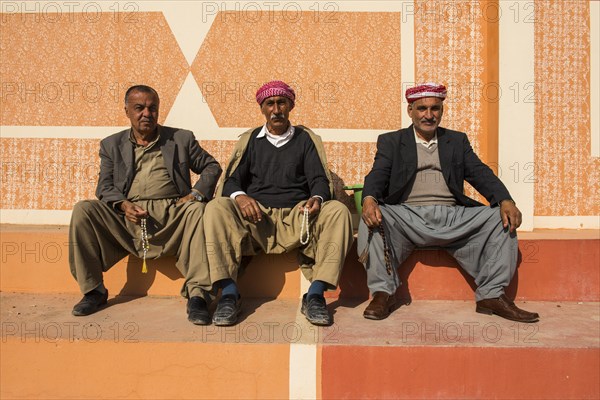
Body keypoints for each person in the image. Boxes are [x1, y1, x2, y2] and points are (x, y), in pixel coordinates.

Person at [358, 82, 539, 323]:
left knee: (499, 218)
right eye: (422, 108)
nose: (429, 115)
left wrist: (505, 199)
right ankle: (383, 293)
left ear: (442, 111)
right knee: (372, 217)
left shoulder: (456, 141)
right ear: (410, 111)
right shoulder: (392, 141)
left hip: (453, 215)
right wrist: (369, 199)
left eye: (435, 109)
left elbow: (479, 173)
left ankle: (492, 295)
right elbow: (378, 173)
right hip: (408, 216)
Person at [203, 80, 353, 326]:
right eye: (270, 104)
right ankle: (229, 294)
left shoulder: (306, 139)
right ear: (262, 108)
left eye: (281, 103)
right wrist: (241, 197)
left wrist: (316, 199)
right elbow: (231, 182)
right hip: (257, 219)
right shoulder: (250, 140)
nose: (276, 109)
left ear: (290, 106)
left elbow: (318, 179)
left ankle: (315, 295)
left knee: (338, 211)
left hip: (298, 217)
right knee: (216, 208)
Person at [69, 85, 222, 325]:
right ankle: (93, 290)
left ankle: (198, 296)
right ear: (127, 111)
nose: (146, 114)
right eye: (139, 108)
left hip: (174, 215)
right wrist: (123, 205)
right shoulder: (111, 145)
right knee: (83, 210)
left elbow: (211, 166)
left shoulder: (181, 138)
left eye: (152, 108)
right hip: (129, 217)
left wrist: (195, 195)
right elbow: (104, 186)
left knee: (198, 209)